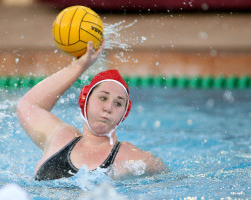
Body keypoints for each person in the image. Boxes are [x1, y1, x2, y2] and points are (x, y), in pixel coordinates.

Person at [17, 39, 168, 180]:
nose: (108, 108)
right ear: (85, 100)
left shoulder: (133, 158)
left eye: (118, 104)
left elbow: (171, 181)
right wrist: (79, 66)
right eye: (103, 98)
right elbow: (28, 105)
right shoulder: (60, 138)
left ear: (124, 113)